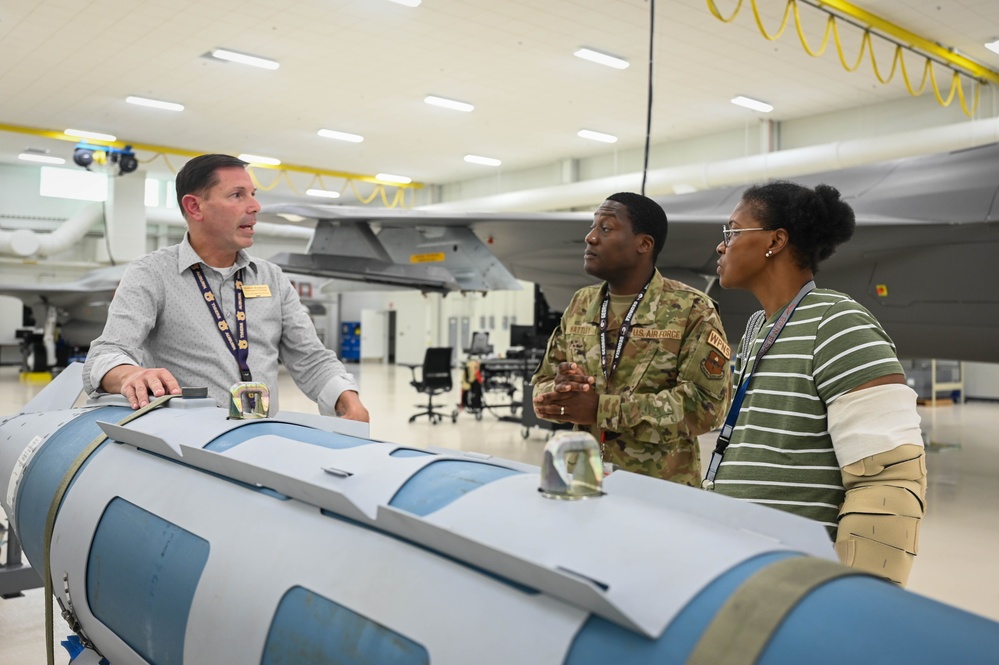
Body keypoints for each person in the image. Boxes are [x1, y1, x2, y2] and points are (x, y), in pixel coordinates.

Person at [708, 180, 926, 585]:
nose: (722, 246)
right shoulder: (757, 327)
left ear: (775, 241)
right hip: (741, 562)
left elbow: (889, 478)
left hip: (797, 577)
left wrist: (860, 597)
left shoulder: (838, 323)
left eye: (732, 232)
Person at [83, 154, 368, 421]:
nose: (255, 207)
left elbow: (311, 357)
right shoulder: (151, 274)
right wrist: (129, 375)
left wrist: (347, 399)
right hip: (184, 445)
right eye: (237, 195)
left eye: (253, 195)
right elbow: (107, 352)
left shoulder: (271, 278)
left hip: (260, 436)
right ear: (194, 207)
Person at [531, 192, 732, 487]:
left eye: (606, 228)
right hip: (582, 482)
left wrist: (601, 408)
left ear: (644, 244)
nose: (590, 238)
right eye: (592, 226)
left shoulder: (691, 309)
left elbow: (706, 409)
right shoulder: (581, 304)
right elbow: (541, 387)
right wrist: (561, 392)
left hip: (656, 491)